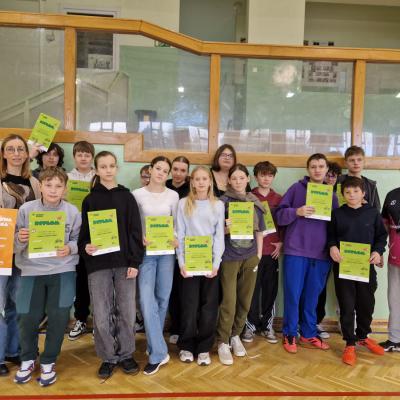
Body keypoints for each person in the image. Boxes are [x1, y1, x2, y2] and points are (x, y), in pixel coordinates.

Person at [78, 151, 144, 379]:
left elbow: (135, 231)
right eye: (103, 166)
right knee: (101, 313)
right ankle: (108, 357)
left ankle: (126, 354)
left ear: (117, 168)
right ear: (96, 170)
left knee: (127, 311)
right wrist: (86, 246)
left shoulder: (127, 197)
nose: (108, 170)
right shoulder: (90, 200)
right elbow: (84, 237)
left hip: (125, 263)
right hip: (98, 265)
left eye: (111, 166)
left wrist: (135, 261)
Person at [13, 167, 81, 386]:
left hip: (63, 271)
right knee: (26, 317)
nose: (53, 190)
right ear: (40, 186)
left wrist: (69, 248)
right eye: (48, 185)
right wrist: (20, 238)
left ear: (65, 189)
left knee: (59, 317)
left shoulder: (72, 212)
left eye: (58, 186)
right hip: (31, 271)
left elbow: (79, 240)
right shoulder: (26, 209)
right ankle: (28, 358)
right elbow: (12, 245)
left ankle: (49, 361)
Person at [276, 153, 337, 354]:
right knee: (293, 295)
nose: (317, 170)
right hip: (296, 251)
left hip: (321, 255)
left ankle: (308, 333)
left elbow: (336, 227)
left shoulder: (332, 196)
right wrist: (297, 211)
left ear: (326, 170)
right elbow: (279, 216)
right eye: (313, 166)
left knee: (312, 297)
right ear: (308, 169)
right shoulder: (296, 189)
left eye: (321, 166)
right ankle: (289, 333)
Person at [328, 176, 387, 365]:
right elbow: (330, 236)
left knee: (366, 304)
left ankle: (363, 336)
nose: (351, 195)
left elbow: (381, 236)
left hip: (366, 267)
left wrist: (377, 252)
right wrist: (332, 247)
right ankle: (350, 343)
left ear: (363, 193)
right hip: (343, 267)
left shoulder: (372, 213)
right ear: (343, 194)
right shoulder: (337, 214)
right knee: (347, 305)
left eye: (355, 191)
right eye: (347, 192)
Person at [132, 156, 179, 375]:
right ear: (150, 169)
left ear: (168, 175)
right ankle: (159, 352)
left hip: (167, 253)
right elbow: (133, 225)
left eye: (165, 171)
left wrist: (176, 238)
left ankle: (154, 349)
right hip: (146, 254)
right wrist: (140, 237)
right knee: (145, 299)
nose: (161, 173)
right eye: (158, 168)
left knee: (162, 299)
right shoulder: (137, 194)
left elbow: (177, 224)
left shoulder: (173, 195)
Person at [0, 134, 41, 377]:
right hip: (2, 250)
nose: (16, 153)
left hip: (25, 253)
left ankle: (13, 349)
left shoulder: (34, 182)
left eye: (20, 149)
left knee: (18, 302)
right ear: (4, 154)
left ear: (27, 154)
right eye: (11, 149)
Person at [216, 164, 265, 365]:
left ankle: (235, 335)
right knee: (228, 300)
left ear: (247, 179)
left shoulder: (255, 202)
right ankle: (223, 340)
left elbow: (260, 231)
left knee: (245, 299)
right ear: (228, 180)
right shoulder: (222, 202)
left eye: (241, 178)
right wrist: (227, 228)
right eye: (234, 178)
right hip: (229, 257)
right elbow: (215, 232)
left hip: (250, 256)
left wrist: (259, 255)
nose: (238, 181)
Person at [176, 166, 224, 366]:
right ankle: (186, 346)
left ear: (210, 182)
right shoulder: (183, 204)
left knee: (208, 307)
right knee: (189, 305)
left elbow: (219, 237)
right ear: (192, 182)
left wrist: (216, 263)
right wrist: (181, 262)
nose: (201, 182)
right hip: (189, 263)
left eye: (205, 179)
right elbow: (180, 233)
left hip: (210, 264)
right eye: (197, 179)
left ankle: (204, 348)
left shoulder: (218, 205)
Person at [242, 161, 282, 345]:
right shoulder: (248, 197)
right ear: (255, 176)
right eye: (262, 175)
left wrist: (281, 243)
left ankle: (267, 325)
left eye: (270, 175)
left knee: (270, 291)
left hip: (271, 252)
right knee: (251, 290)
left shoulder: (278, 199)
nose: (266, 178)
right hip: (252, 252)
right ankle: (249, 326)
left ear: (273, 177)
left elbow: (283, 224)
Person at [67, 141, 96, 341]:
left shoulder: (98, 176)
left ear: (92, 157)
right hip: (75, 234)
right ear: (74, 157)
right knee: (81, 280)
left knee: (99, 279)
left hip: (96, 233)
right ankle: (81, 318)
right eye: (80, 154)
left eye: (87, 154)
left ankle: (100, 319)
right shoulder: (67, 178)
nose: (83, 158)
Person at [316, 161, 343, 340]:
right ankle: (311, 321)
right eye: (328, 174)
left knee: (331, 286)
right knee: (316, 286)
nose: (331, 178)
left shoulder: (344, 193)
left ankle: (320, 321)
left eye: (334, 175)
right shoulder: (315, 192)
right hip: (319, 246)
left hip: (340, 247)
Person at [166, 156, 190, 345]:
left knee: (185, 290)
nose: (178, 173)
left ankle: (185, 328)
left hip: (187, 246)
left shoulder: (192, 190)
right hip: (165, 245)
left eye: (183, 170)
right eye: (175, 169)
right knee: (171, 289)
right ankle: (174, 327)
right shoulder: (163, 186)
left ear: (187, 173)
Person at [378, 185, 400, 352]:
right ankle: (395, 339)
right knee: (394, 298)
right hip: (395, 256)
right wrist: (379, 250)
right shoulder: (392, 195)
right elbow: (383, 226)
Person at [337, 146, 380, 210]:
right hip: (340, 215)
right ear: (345, 163)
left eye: (359, 160)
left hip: (365, 215)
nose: (356, 163)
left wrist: (366, 206)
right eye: (352, 160)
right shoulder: (337, 181)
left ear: (364, 162)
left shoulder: (371, 185)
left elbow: (377, 210)